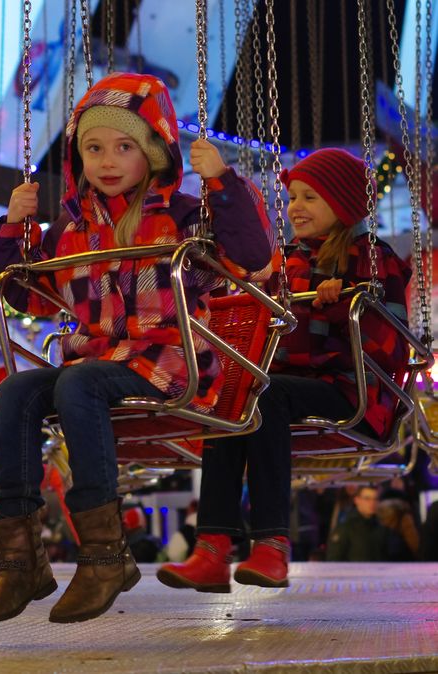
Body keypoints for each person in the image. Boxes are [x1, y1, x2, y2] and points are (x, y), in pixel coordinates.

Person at [0, 73, 275, 624]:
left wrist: (223, 184)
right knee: (16, 390)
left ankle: (105, 554)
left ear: (154, 151)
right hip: (100, 361)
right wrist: (13, 229)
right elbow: (28, 295)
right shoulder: (72, 227)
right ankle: (21, 559)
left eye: (124, 146)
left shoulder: (185, 215)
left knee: (77, 381)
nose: (107, 161)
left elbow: (252, 257)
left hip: (169, 362)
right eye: (93, 148)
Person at [158, 148, 411, 591]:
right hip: (295, 387)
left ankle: (271, 543)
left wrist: (341, 304)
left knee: (265, 393)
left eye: (310, 197)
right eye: (292, 197)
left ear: (345, 206)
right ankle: (212, 547)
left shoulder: (371, 256)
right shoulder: (287, 259)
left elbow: (387, 344)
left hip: (358, 392)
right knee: (231, 400)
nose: (296, 207)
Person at [326, 485, 390, 561]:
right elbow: (334, 558)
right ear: (357, 500)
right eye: (367, 499)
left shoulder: (383, 526)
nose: (372, 503)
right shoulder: (346, 526)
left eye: (375, 499)